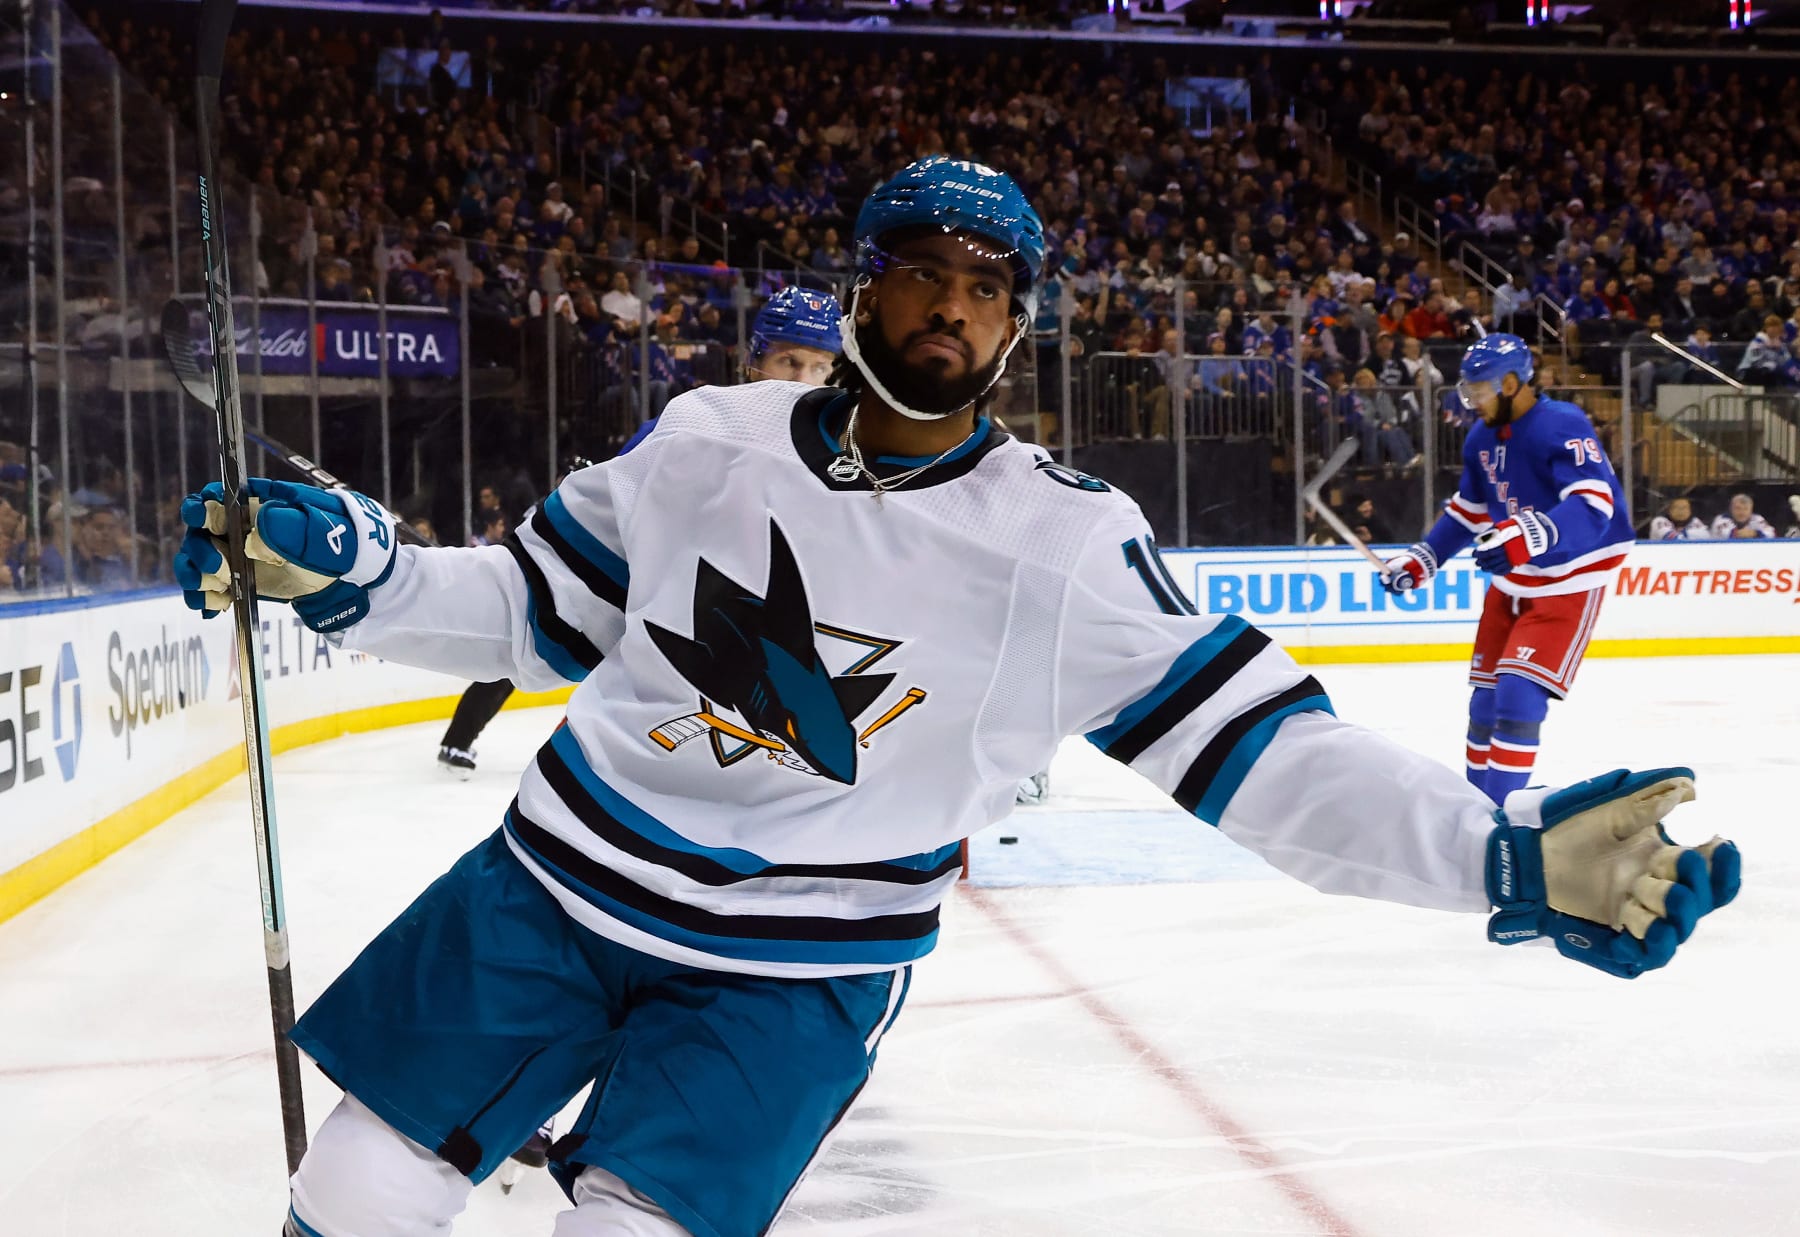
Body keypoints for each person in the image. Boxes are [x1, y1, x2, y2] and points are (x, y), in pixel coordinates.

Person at [172, 160, 1738, 1237]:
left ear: (1016, 323)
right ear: (862, 291)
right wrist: (359, 578)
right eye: (922, 270)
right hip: (550, 887)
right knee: (363, 1178)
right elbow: (526, 609)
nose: (952, 305)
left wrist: (1502, 853)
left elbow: (1272, 761)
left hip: (794, 973)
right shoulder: (710, 437)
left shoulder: (1062, 544)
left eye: (987, 287)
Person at [1380, 334, 1636, 805]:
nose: (1472, 400)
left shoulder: (1562, 423)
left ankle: (1496, 817)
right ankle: (1476, 810)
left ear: (1513, 383)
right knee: (1484, 704)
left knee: (1519, 697)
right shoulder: (1480, 437)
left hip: (1568, 581)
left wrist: (1530, 536)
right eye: (1469, 389)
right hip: (1512, 581)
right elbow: (1471, 511)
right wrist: (1425, 558)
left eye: (1480, 389)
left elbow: (1593, 504)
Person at [1711, 492, 1777, 539]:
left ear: (1751, 510)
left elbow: (1772, 533)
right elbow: (1727, 534)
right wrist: (1743, 534)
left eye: (1746, 509)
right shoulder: (1721, 519)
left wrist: (1755, 533)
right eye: (1738, 508)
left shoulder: (1756, 518)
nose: (1742, 512)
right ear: (1731, 509)